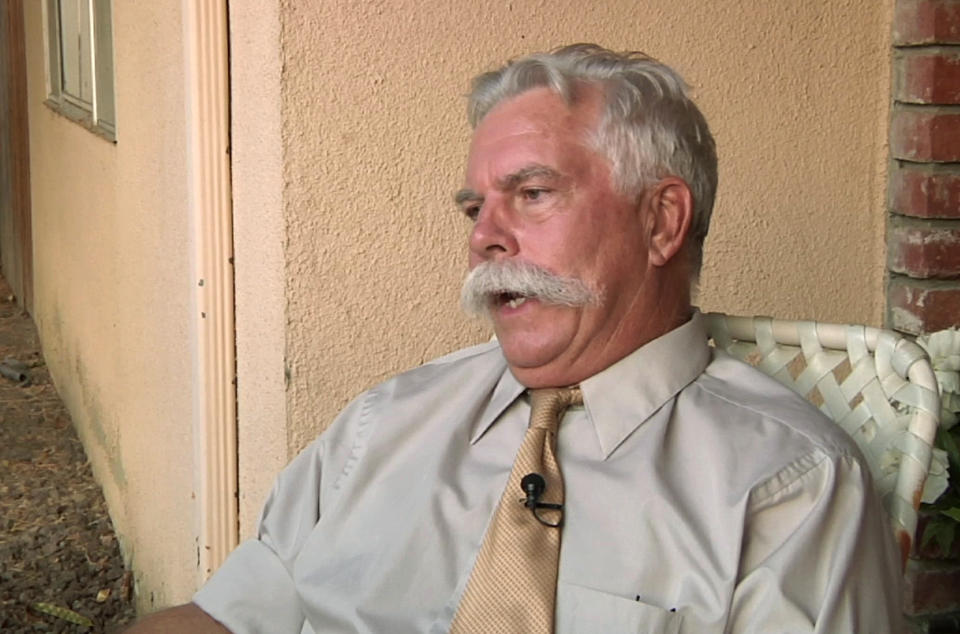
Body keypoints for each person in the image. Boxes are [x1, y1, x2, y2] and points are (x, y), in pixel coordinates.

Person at [128, 44, 902, 633]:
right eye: (475, 210)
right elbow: (230, 616)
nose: (485, 239)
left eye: (532, 195)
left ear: (662, 220)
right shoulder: (386, 422)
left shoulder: (790, 487)